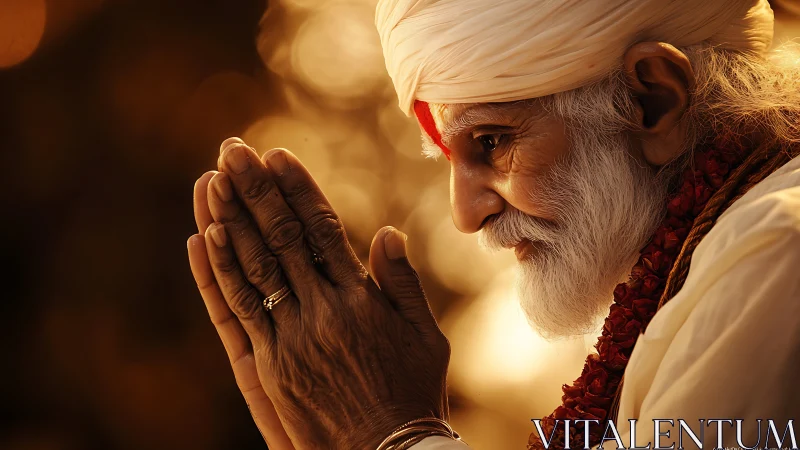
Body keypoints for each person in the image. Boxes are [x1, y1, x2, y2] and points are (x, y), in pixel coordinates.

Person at [186, 0, 800, 448]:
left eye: (491, 142)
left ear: (653, 101)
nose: (464, 215)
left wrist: (386, 430)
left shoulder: (778, 250)